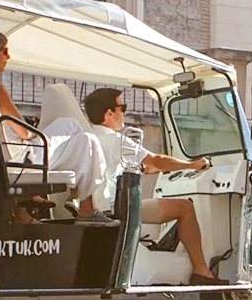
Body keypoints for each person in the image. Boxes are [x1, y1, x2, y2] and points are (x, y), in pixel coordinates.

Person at [0, 28, 107, 219]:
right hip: (18, 159)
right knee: (81, 134)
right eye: (4, 51)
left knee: (82, 139)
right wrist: (32, 133)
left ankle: (76, 197)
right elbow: (24, 132)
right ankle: (83, 205)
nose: (8, 56)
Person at [81, 87, 217, 285]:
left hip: (100, 208)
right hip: (116, 209)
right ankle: (202, 271)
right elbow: (157, 160)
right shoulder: (116, 140)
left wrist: (154, 168)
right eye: (122, 107)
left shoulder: (89, 137)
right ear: (109, 113)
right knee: (185, 208)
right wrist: (192, 165)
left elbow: (144, 166)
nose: (125, 113)